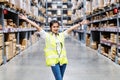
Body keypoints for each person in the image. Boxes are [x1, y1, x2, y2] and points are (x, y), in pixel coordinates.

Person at [19, 14, 89, 80]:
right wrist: (26, 19)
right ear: (51, 27)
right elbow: (38, 27)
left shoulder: (62, 35)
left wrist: (80, 24)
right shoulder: (46, 36)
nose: (56, 28)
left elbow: (70, 29)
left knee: (60, 78)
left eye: (57, 27)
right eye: (54, 27)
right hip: (54, 62)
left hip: (63, 61)